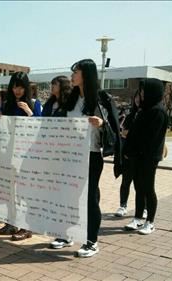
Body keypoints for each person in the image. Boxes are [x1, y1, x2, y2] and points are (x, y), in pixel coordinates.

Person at [60, 59, 120, 257]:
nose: (72, 75)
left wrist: (102, 124)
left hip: (91, 156)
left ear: (85, 74)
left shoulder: (101, 99)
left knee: (90, 199)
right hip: (70, 156)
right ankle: (67, 234)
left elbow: (114, 130)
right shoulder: (71, 98)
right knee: (69, 197)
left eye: (75, 71)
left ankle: (91, 241)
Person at [0, 72, 41, 241]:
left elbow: (41, 127)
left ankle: (26, 227)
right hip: (8, 152)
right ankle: (10, 223)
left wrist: (29, 112)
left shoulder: (34, 104)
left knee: (23, 192)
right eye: (14, 86)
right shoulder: (7, 104)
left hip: (26, 155)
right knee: (9, 190)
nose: (17, 90)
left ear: (26, 88)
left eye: (20, 87)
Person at [123, 78, 168, 235]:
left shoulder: (158, 111)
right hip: (137, 156)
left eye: (143, 91)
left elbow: (150, 138)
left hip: (148, 157)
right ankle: (137, 218)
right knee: (139, 188)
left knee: (148, 188)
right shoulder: (143, 110)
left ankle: (150, 221)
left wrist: (135, 148)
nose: (141, 94)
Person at [41, 75, 77, 249]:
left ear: (62, 86)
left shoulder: (70, 104)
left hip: (66, 155)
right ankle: (59, 231)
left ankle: (67, 234)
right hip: (50, 155)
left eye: (54, 84)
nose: (51, 87)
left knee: (65, 195)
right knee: (53, 195)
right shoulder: (49, 104)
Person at [115, 89, 144, 217]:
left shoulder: (150, 114)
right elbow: (124, 133)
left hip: (143, 156)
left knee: (142, 185)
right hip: (128, 155)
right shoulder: (131, 115)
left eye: (141, 97)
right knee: (126, 182)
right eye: (136, 96)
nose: (138, 99)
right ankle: (123, 205)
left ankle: (144, 208)